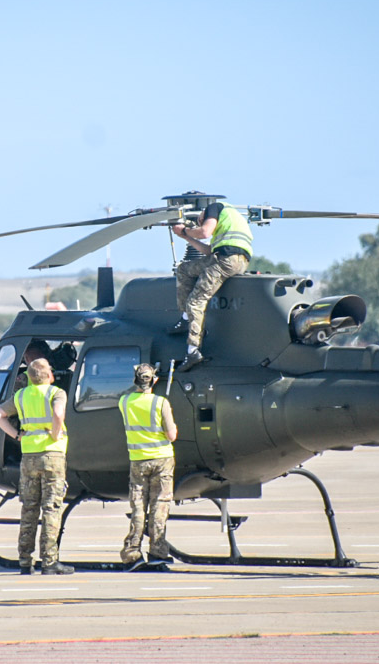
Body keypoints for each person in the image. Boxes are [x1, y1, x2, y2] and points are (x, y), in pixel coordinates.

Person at [0, 357, 75, 576]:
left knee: (29, 507)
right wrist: (55, 433)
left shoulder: (21, 395)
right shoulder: (56, 393)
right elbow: (58, 413)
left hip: (28, 455)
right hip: (52, 455)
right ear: (49, 375)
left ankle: (24, 561)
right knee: (51, 508)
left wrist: (17, 435)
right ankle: (49, 561)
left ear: (28, 377)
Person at [169, 199, 254, 371]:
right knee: (184, 270)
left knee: (195, 302)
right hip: (231, 259)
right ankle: (186, 319)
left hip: (226, 260)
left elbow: (205, 232)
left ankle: (192, 351)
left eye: (201, 219)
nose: (201, 222)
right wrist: (186, 236)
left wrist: (186, 229)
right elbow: (208, 251)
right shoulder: (230, 220)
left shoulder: (213, 208)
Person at [118, 363, 178, 568]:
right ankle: (157, 551)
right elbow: (172, 435)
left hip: (137, 459)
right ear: (154, 380)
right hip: (162, 459)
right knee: (159, 505)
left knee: (138, 506)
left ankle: (132, 552)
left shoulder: (124, 401)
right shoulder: (161, 403)